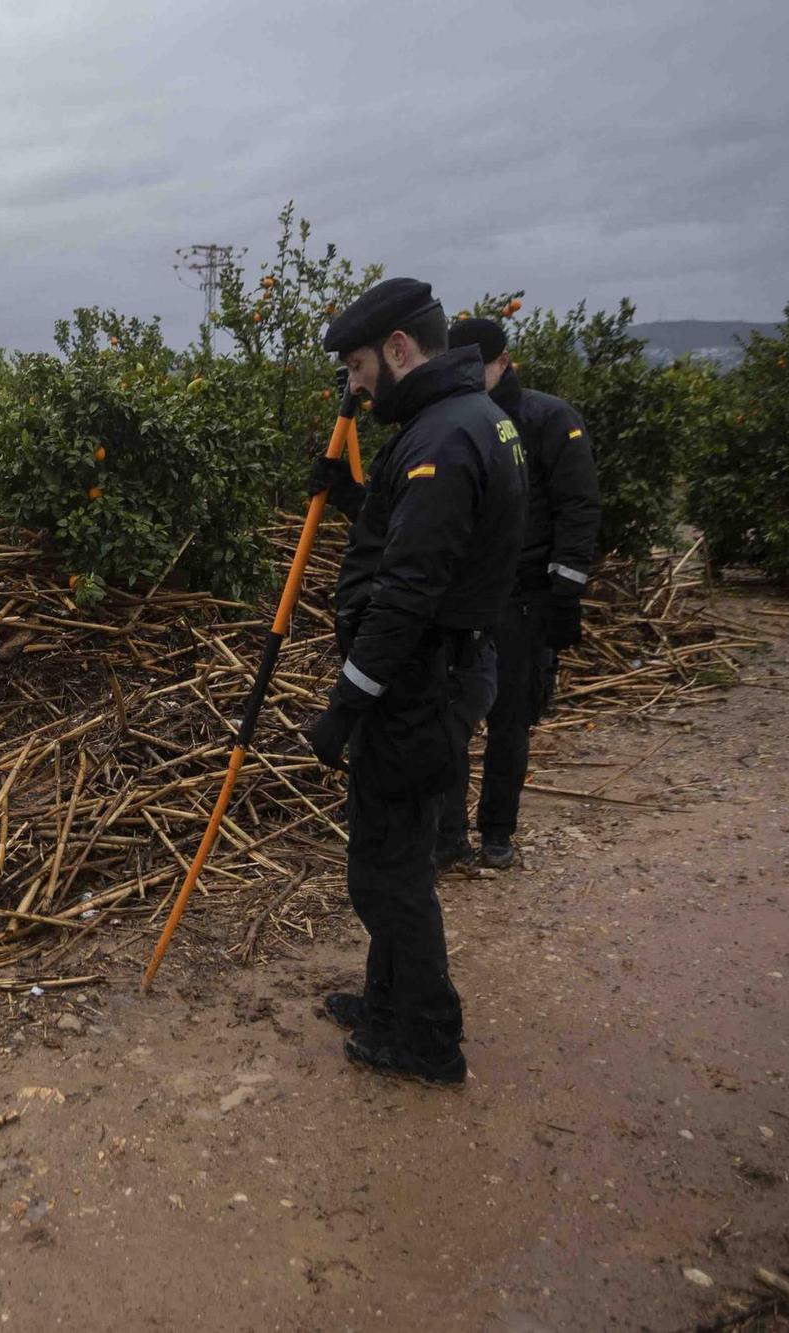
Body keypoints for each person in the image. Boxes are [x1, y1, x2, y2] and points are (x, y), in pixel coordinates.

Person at [302, 277, 525, 1085]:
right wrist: (356, 498)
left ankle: (427, 1036)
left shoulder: (442, 437)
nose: (355, 385)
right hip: (436, 675)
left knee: (387, 870)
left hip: (419, 685)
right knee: (393, 853)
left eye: (360, 365)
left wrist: (344, 705)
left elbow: (407, 595)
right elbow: (417, 536)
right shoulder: (459, 423)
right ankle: (386, 998)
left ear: (399, 349)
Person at [441, 316, 601, 869]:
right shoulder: (450, 422)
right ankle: (449, 836)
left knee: (509, 718)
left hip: (524, 597)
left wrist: (565, 591)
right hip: (465, 600)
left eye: (476, 367)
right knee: (452, 718)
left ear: (503, 361)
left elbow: (577, 507)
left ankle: (497, 834)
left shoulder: (548, 418)